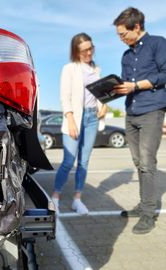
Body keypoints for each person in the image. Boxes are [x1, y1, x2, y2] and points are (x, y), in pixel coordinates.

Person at [113, 7, 166, 234]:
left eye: (123, 34)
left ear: (136, 27)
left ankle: (147, 213)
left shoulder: (158, 43)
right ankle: (143, 203)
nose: (121, 39)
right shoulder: (126, 55)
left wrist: (137, 85)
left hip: (152, 111)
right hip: (131, 112)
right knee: (138, 163)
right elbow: (126, 83)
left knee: (147, 163)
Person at [52, 33, 107, 215]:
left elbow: (101, 93)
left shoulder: (96, 69)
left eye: (91, 48)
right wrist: (70, 120)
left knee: (84, 162)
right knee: (68, 161)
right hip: (75, 118)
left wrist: (104, 106)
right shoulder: (69, 69)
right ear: (76, 51)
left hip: (92, 117)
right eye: (84, 50)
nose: (89, 52)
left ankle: (77, 199)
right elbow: (64, 96)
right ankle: (55, 197)